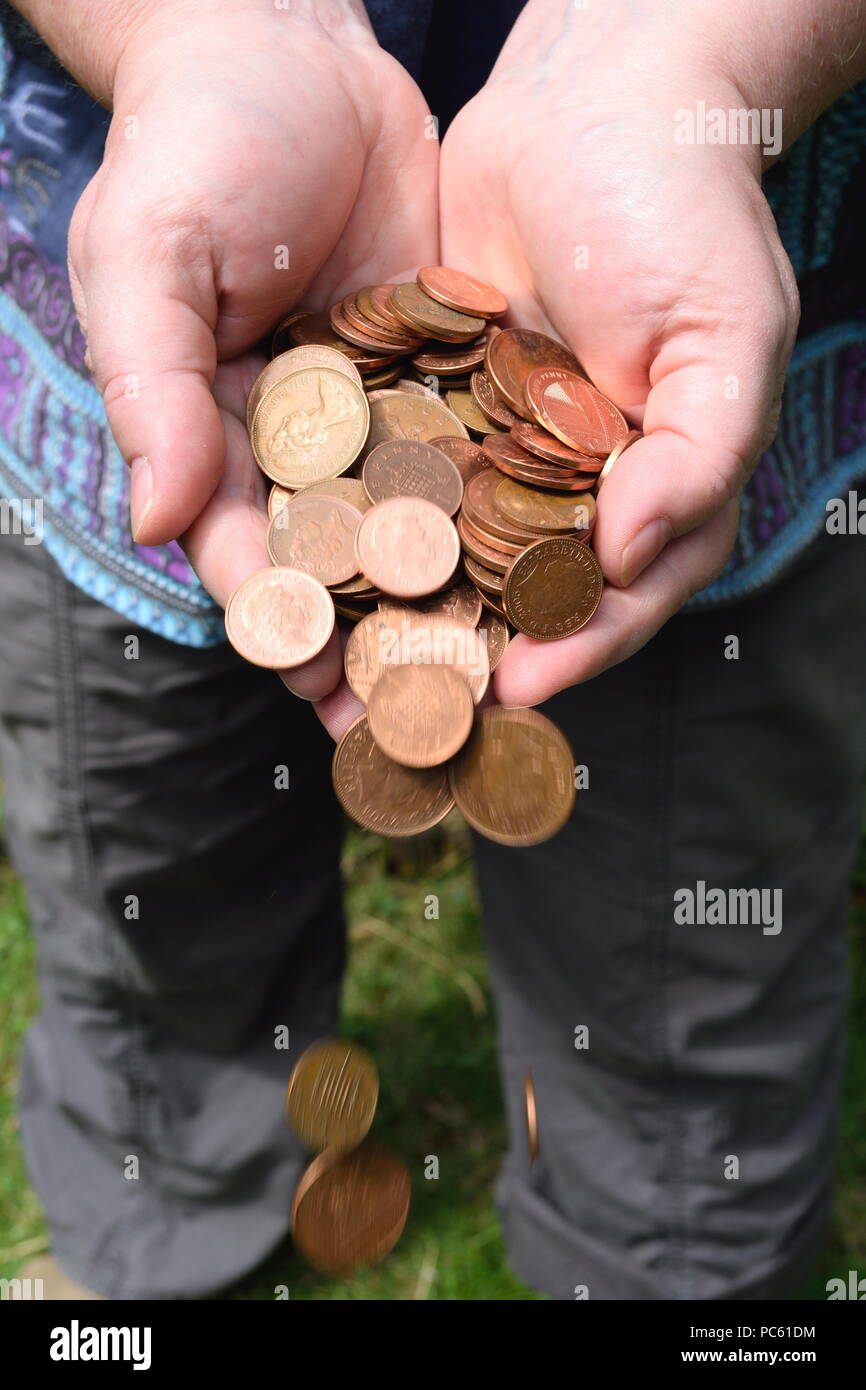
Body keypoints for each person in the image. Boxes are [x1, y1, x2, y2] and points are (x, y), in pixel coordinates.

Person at [0, 0, 864, 1300]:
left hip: (684, 359)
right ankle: (152, 1259)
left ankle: (683, 1268)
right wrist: (182, 32)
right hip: (142, 290)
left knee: (681, 997)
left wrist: (699, 54)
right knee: (153, 918)